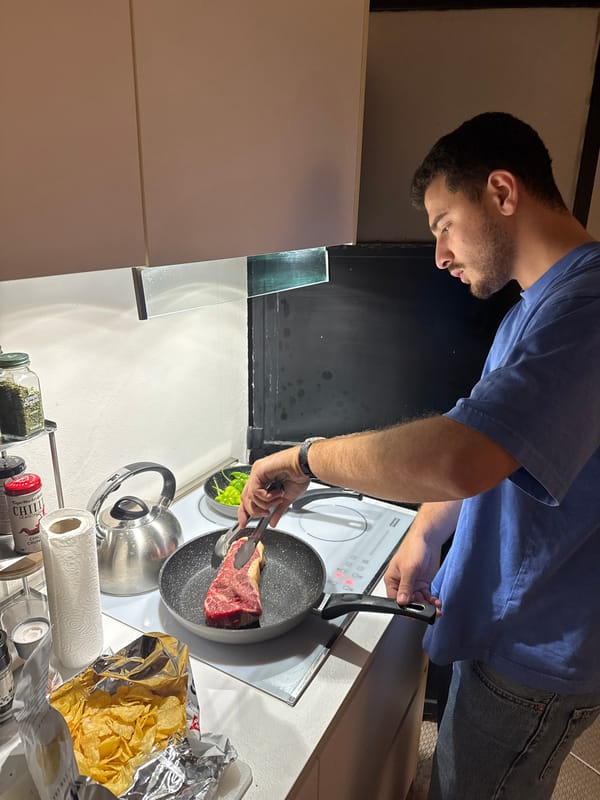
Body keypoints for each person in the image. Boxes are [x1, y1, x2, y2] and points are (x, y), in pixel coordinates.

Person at [238, 112, 600, 800]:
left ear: (500, 191)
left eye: (442, 224)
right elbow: (492, 443)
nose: (438, 254)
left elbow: (459, 457)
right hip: (505, 620)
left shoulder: (587, 310)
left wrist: (305, 458)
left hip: (539, 654)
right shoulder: (538, 305)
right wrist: (426, 530)